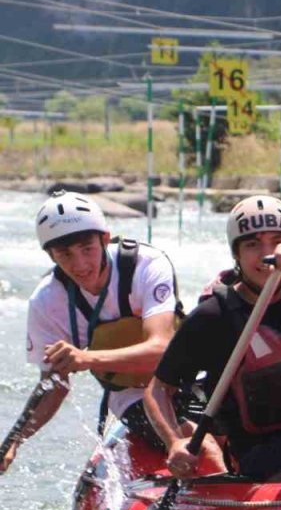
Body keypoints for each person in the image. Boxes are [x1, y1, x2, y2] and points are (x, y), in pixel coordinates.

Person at [144, 196, 281, 480]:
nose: (267, 254)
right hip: (262, 455)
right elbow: (159, 389)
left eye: (277, 242)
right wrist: (174, 441)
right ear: (236, 254)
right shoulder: (214, 316)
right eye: (252, 245)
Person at [0, 191, 183, 474]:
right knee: (194, 438)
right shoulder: (46, 301)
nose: (80, 264)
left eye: (87, 248)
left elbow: (162, 350)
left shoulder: (145, 265)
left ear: (105, 239)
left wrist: (87, 359)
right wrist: (15, 440)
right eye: (65, 254)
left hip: (181, 377)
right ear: (50, 255)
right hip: (129, 394)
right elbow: (54, 384)